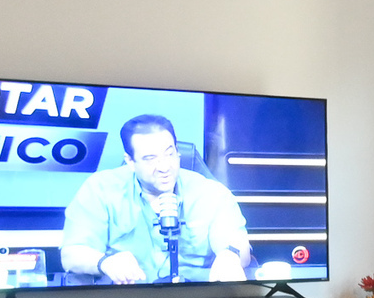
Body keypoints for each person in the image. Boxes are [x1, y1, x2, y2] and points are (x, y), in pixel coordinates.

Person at [58, 114, 252, 284]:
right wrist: (104, 262)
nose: (164, 166)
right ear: (130, 162)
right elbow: (71, 254)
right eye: (150, 158)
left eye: (169, 154)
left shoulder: (211, 193)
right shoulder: (100, 190)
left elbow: (238, 245)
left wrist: (230, 256)